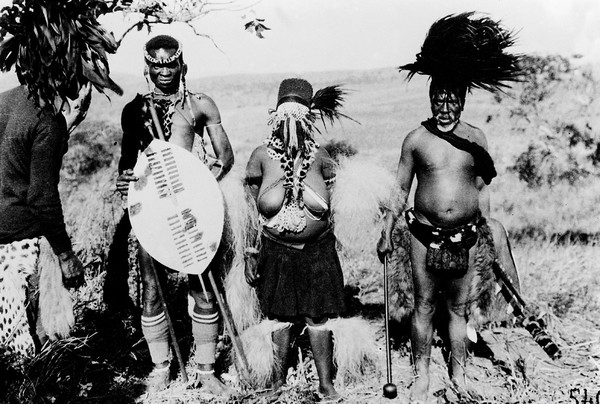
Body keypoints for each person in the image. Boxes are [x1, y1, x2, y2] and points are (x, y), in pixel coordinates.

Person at [376, 13, 523, 402]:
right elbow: (400, 189)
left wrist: (489, 229)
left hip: (467, 236)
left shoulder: (477, 139)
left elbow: (481, 187)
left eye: (451, 100)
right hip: (423, 234)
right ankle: (422, 375)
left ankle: (460, 375)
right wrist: (388, 227)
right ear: (430, 99)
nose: (444, 108)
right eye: (438, 99)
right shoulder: (416, 139)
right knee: (423, 308)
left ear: (461, 100)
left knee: (458, 311)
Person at [116, 35, 235, 396]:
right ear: (147, 67)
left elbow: (225, 158)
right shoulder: (134, 110)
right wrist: (126, 183)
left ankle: (206, 369)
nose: (164, 70)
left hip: (193, 210)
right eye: (157, 64)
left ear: (182, 65)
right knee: (152, 289)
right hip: (152, 211)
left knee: (202, 286)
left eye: (171, 64)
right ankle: (160, 368)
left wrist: (197, 191)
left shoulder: (200, 105)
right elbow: (127, 165)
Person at [0, 1, 121, 357]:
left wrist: (70, 123)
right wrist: (66, 255)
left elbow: (20, 157)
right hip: (21, 249)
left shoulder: (6, 102)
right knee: (27, 357)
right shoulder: (47, 121)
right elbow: (40, 196)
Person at [244, 78, 352, 401]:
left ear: (308, 121)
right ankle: (277, 382)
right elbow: (249, 211)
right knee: (279, 316)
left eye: (298, 119)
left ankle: (325, 383)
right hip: (276, 251)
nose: (290, 126)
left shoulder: (320, 157)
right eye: (284, 118)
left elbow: (336, 203)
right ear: (275, 118)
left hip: (316, 252)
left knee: (317, 315)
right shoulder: (261, 156)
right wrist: (251, 253)